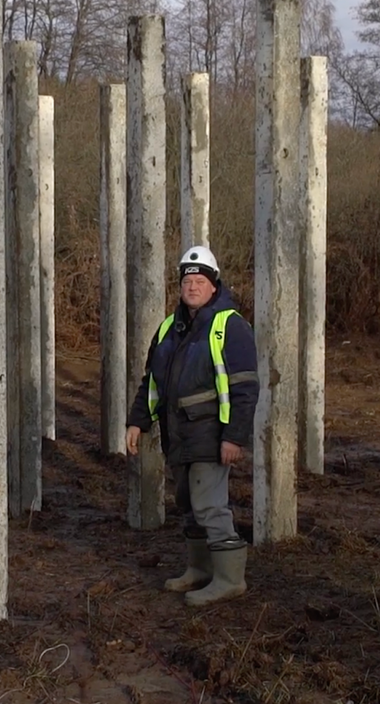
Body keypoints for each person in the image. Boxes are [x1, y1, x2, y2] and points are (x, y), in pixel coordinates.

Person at [125, 245, 259, 606]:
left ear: (214, 285)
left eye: (200, 280)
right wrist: (138, 421)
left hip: (211, 435)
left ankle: (230, 579)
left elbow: (245, 388)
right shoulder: (169, 328)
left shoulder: (229, 325)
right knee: (188, 503)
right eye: (187, 280)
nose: (193, 286)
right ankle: (200, 570)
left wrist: (234, 437)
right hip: (178, 436)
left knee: (209, 505)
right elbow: (152, 382)